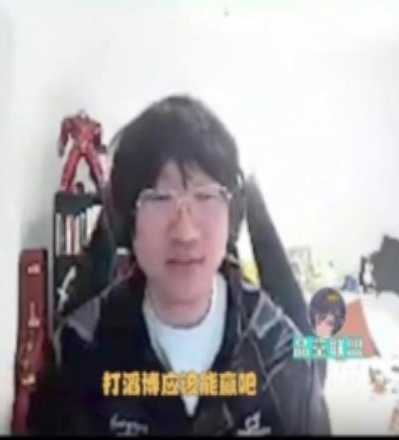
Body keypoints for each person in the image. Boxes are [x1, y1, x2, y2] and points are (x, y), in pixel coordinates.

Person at [29, 95, 331, 436]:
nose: (185, 233)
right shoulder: (78, 354)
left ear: (232, 216)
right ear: (128, 221)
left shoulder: (279, 357)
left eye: (205, 196)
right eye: (159, 199)